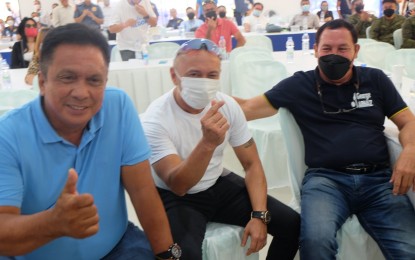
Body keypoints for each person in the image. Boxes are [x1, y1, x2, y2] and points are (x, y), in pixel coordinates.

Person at [234, 19, 415, 259]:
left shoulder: (376, 80)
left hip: (379, 181)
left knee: (409, 249)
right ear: (315, 50)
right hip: (326, 180)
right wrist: (203, 98)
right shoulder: (299, 85)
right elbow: (246, 107)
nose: (334, 55)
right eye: (327, 49)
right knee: (314, 243)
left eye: (343, 49)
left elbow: (407, 121)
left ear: (356, 50)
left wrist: (410, 150)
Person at [0, 23, 180, 260]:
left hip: (118, 247)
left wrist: (168, 256)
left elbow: (142, 191)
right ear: (42, 82)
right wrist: (53, 223)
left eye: (94, 80)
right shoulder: (8, 135)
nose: (81, 93)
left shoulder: (118, 107)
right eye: (68, 77)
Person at [141, 38, 300, 260]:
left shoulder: (226, 106)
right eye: (194, 74)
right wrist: (207, 143)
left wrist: (259, 215)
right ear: (173, 75)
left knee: (292, 225)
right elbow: (179, 185)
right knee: (182, 255)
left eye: (212, 75)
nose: (204, 82)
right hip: (176, 197)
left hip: (217, 183)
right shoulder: (155, 120)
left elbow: (251, 164)